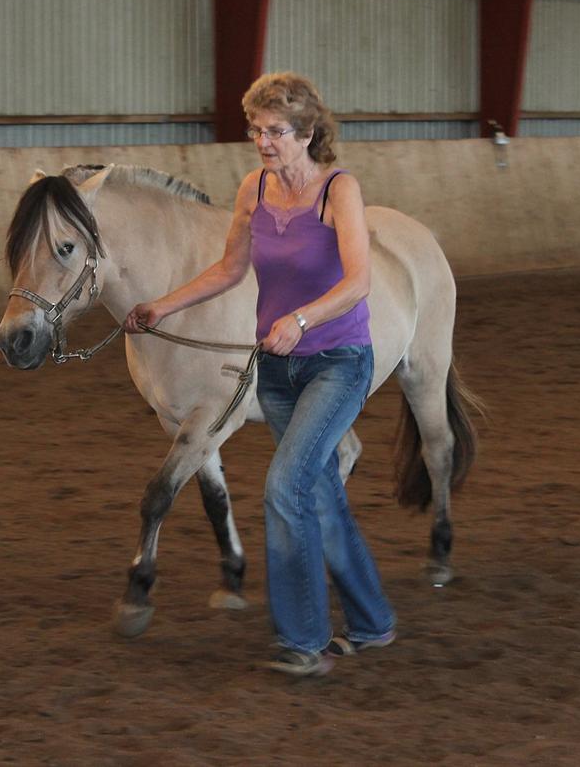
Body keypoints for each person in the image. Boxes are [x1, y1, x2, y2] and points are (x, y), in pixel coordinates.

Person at [123, 72, 395, 677]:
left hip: (338, 361)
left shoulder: (338, 190)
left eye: (276, 131)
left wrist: (299, 319)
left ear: (307, 133)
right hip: (276, 371)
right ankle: (373, 622)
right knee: (320, 494)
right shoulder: (254, 188)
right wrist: (162, 305)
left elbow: (359, 282)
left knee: (285, 487)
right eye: (256, 130)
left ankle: (302, 641)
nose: (263, 142)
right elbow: (228, 268)